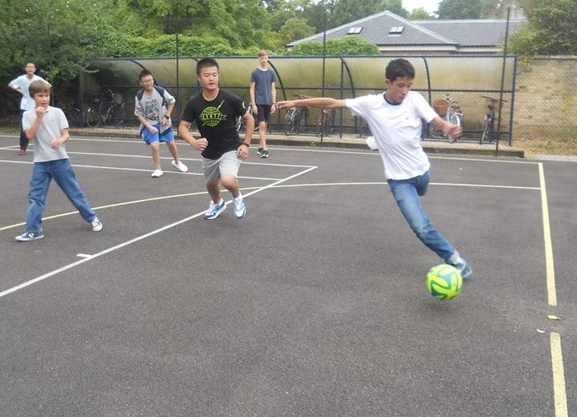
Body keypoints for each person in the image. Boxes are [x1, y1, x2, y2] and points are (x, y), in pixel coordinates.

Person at [277, 58, 472, 279]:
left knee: (422, 189)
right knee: (421, 226)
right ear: (388, 83)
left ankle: (378, 143)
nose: (405, 91)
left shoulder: (415, 99)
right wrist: (297, 103)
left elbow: (436, 120)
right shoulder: (370, 104)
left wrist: (447, 126)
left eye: (408, 85)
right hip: (399, 180)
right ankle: (456, 259)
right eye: (400, 85)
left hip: (422, 171)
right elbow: (332, 103)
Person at [15, 80, 103, 242]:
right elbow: (29, 135)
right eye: (40, 95)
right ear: (33, 97)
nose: (44, 99)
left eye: (46, 95)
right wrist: (38, 118)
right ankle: (33, 230)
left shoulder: (57, 112)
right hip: (40, 163)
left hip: (60, 160)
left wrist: (60, 140)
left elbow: (66, 133)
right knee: (35, 197)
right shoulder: (28, 115)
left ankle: (92, 218)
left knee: (74, 193)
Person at [178, 57, 255, 220]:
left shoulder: (230, 99)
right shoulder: (194, 103)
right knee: (211, 185)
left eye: (214, 74)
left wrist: (246, 144)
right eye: (207, 75)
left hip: (230, 147)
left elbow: (250, 119)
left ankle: (237, 197)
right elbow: (182, 127)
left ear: (218, 76)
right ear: (199, 77)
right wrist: (193, 141)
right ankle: (218, 203)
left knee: (227, 180)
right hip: (209, 151)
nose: (211, 78)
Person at [134, 69, 189, 177]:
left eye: (150, 80)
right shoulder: (139, 97)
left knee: (171, 143)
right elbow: (138, 114)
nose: (149, 83)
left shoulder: (160, 91)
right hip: (150, 124)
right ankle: (158, 168)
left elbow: (172, 101)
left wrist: (167, 116)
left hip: (163, 123)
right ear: (141, 83)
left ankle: (177, 162)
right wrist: (149, 126)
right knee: (155, 146)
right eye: (145, 81)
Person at [8, 61, 49, 155]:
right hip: (25, 106)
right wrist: (19, 90)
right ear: (25, 69)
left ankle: (45, 146)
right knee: (24, 127)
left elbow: (48, 85)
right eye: (28, 67)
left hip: (37, 106)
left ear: (35, 69)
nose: (30, 69)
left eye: (32, 67)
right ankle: (23, 147)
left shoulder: (38, 79)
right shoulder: (21, 79)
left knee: (42, 125)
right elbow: (11, 84)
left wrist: (42, 95)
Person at [249, 49, 277, 158]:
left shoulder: (271, 73)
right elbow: (252, 89)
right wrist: (253, 103)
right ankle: (265, 149)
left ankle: (260, 147)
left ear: (268, 58)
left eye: (266, 58)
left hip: (268, 102)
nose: (264, 60)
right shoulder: (255, 73)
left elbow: (273, 89)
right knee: (261, 125)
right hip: (259, 102)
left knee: (264, 126)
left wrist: (274, 103)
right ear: (259, 59)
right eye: (262, 58)